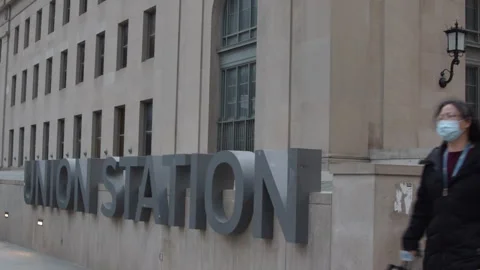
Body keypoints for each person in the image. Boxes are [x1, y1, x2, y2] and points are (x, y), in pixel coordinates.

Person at [402, 99, 480, 270]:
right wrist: (411, 239)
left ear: (466, 122)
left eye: (450, 116)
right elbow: (423, 206)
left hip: (471, 254)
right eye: (441, 117)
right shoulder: (434, 161)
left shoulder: (476, 159)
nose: (445, 121)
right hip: (437, 254)